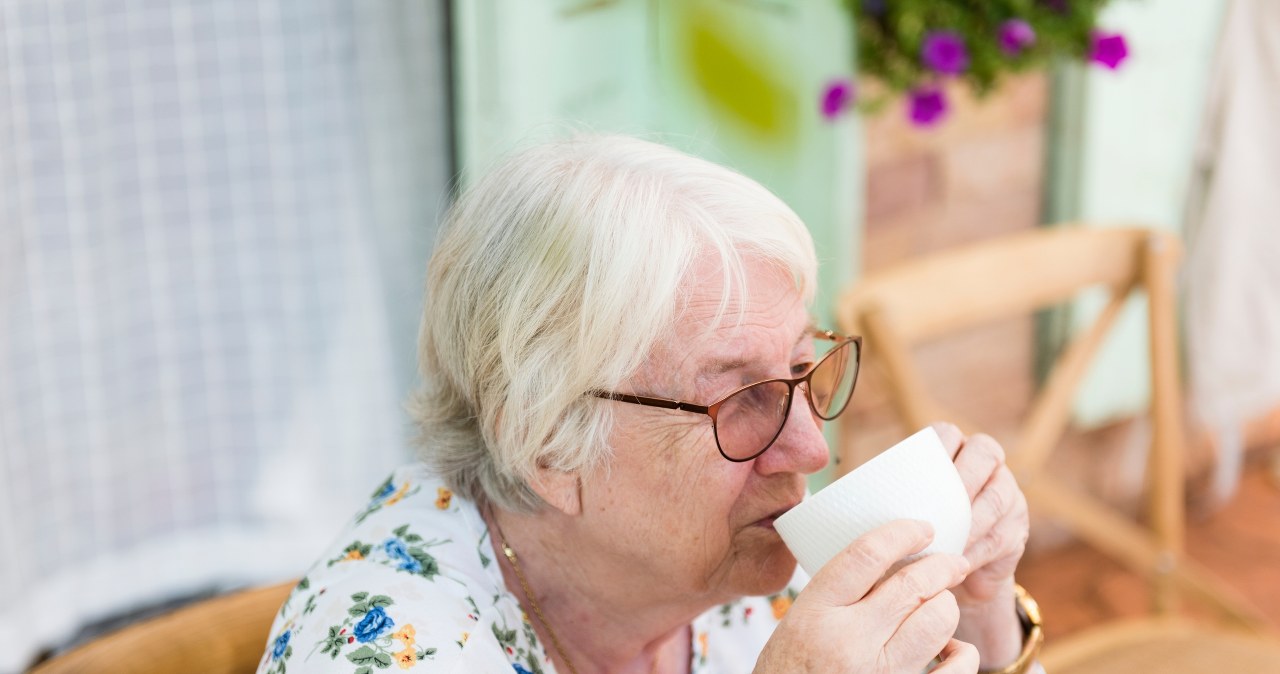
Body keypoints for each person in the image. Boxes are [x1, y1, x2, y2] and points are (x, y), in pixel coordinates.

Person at [256, 135, 1038, 674]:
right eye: (741, 399)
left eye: (803, 368)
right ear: (549, 446)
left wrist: (977, 616)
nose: (810, 450)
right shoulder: (385, 648)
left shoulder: (722, 566)